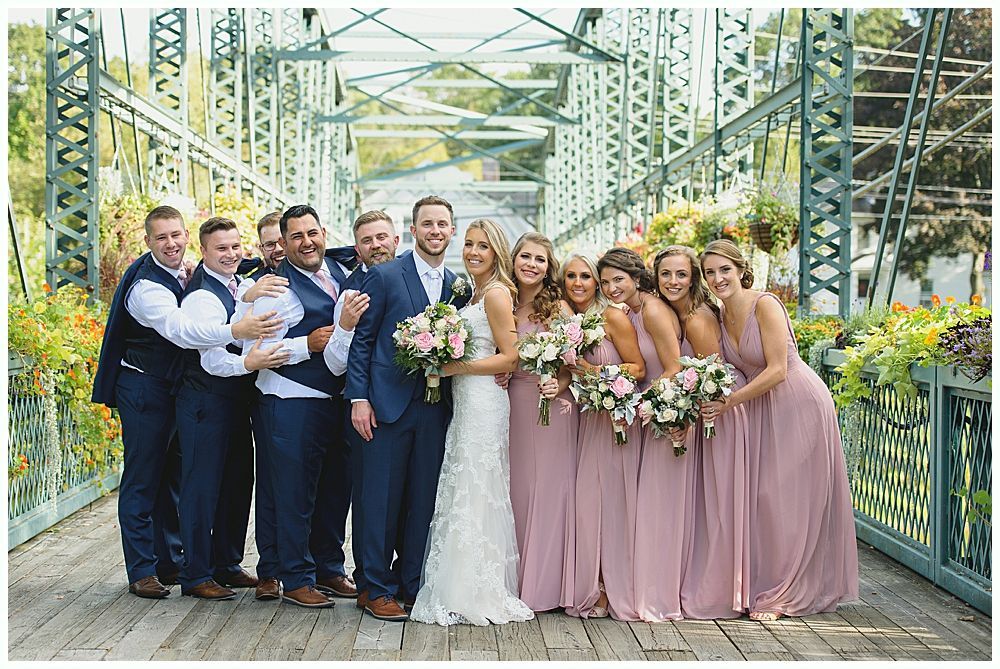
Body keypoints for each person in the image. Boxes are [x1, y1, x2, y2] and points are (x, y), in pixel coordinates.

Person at [91, 206, 282, 599]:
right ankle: (143, 569)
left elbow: (236, 271)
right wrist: (237, 328)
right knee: (145, 477)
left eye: (176, 234)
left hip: (178, 386)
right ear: (148, 242)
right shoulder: (147, 288)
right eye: (162, 238)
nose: (171, 243)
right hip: (145, 386)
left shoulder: (189, 271)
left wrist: (246, 293)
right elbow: (181, 332)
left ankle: (177, 563)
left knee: (176, 479)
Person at [699, 239, 858, 620]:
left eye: (725, 269)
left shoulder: (765, 304)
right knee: (766, 499)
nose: (718, 278)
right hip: (761, 408)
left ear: (741, 270)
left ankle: (786, 594)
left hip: (796, 403)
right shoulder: (720, 315)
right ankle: (766, 582)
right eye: (710, 272)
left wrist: (729, 403)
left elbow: (777, 369)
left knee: (790, 498)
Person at [345, 195, 469, 621]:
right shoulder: (384, 276)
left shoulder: (458, 285)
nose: (436, 231)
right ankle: (374, 587)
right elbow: (362, 342)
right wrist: (358, 398)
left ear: (451, 230)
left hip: (436, 408)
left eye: (443, 224)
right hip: (385, 406)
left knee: (423, 500)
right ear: (413, 231)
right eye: (427, 224)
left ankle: (411, 581)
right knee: (378, 500)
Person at [409, 219, 534, 627]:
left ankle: (475, 589)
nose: (473, 252)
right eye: (468, 245)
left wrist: (453, 367)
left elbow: (511, 357)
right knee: (462, 483)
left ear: (496, 252)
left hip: (484, 403)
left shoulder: (497, 294)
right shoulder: (471, 293)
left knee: (477, 485)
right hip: (465, 401)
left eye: (482, 246)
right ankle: (457, 583)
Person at [174, 217, 291, 600]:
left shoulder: (241, 285)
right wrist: (249, 364)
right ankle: (195, 574)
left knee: (238, 483)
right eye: (221, 248)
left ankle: (226, 562)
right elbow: (212, 361)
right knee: (202, 488)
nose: (230, 254)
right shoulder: (203, 296)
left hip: (235, 402)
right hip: (206, 402)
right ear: (203, 252)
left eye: (235, 246)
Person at [245, 204, 353, 608]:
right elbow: (250, 347)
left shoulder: (340, 274)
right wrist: (304, 345)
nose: (307, 242)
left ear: (324, 232)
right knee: (292, 493)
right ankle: (295, 576)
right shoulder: (276, 288)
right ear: (283, 244)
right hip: (289, 401)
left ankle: (328, 567)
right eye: (296, 237)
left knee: (332, 491)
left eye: (312, 233)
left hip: (333, 401)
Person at [653, 245, 750, 620]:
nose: (673, 281)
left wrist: (681, 415)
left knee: (720, 502)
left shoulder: (696, 318)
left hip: (719, 414)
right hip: (706, 411)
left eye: (681, 274)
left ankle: (722, 590)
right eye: (665, 274)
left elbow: (713, 377)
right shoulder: (676, 311)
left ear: (693, 277)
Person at [597, 247, 688, 622]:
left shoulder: (652, 309)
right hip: (644, 417)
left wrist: (642, 405)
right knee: (646, 509)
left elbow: (673, 366)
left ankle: (658, 592)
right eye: (605, 282)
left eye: (618, 279)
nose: (611, 287)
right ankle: (641, 584)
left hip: (661, 417)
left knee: (659, 509)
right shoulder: (631, 311)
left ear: (636, 277)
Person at [321, 209, 403, 608]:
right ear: (358, 249)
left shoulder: (411, 278)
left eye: (382, 237)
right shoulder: (351, 294)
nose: (377, 245)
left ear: (396, 240)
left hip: (410, 406)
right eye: (368, 240)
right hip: (366, 408)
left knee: (404, 498)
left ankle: (401, 578)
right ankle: (369, 582)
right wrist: (346, 327)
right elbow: (337, 362)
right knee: (370, 497)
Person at [561, 251, 645, 621]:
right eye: (570, 277)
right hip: (586, 419)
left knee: (611, 501)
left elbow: (638, 367)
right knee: (588, 503)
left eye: (585, 276)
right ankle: (590, 582)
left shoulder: (611, 316)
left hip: (614, 420)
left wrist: (597, 372)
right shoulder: (570, 322)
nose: (578, 283)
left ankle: (611, 587)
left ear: (596, 282)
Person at [506, 232, 578, 613]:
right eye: (526, 257)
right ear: (514, 258)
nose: (531, 265)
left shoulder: (559, 309)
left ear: (549, 267)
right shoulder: (501, 299)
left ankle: (546, 584)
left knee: (550, 490)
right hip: (511, 404)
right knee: (516, 489)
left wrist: (559, 382)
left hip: (551, 406)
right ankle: (513, 579)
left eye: (540, 259)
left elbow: (572, 366)